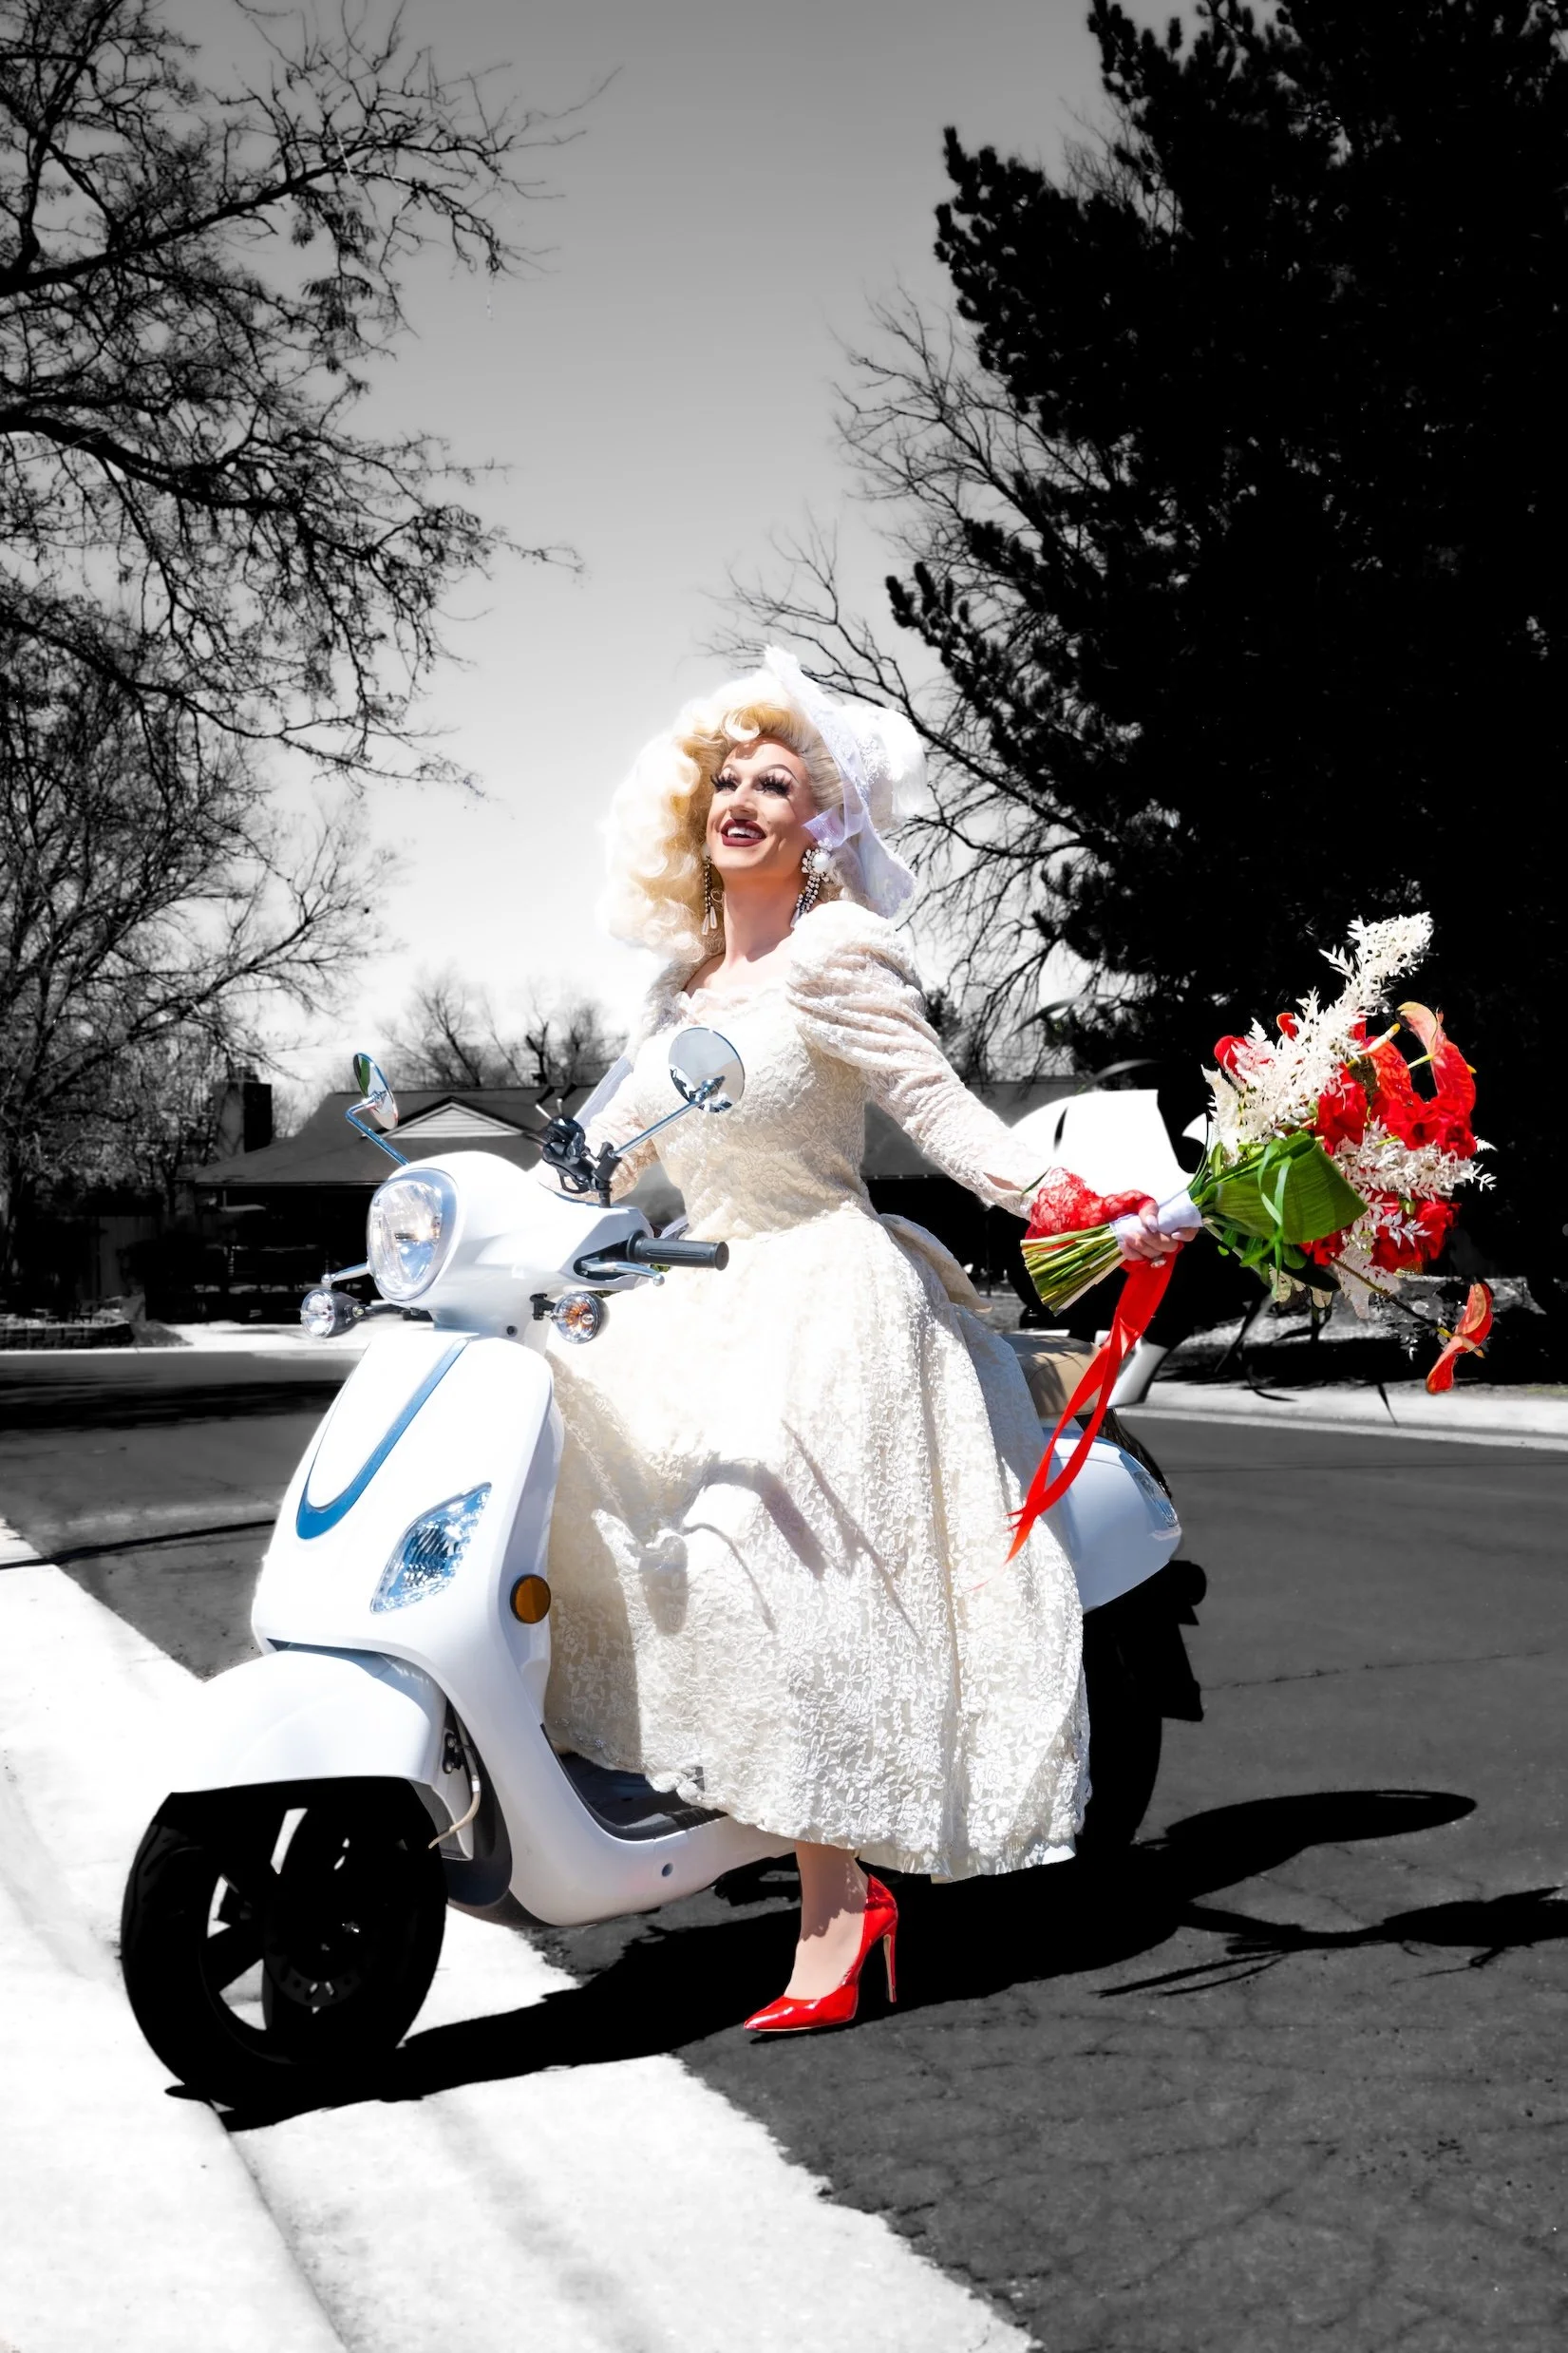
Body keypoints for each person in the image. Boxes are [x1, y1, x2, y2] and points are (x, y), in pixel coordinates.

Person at [538, 649, 1181, 2034]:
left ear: (819, 826)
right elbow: (609, 1157)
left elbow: (941, 1113)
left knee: (770, 1557)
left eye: (775, 784)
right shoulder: (678, 991)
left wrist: (1069, 1200)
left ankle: (840, 1906)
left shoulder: (837, 957)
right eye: (727, 778)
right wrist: (516, 1218)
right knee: (578, 1479)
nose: (741, 801)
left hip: (822, 1292)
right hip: (695, 1286)